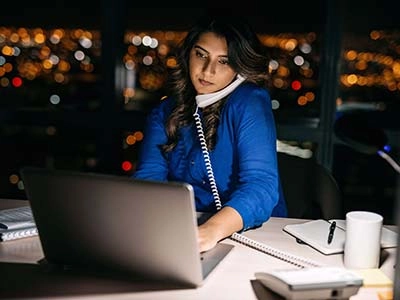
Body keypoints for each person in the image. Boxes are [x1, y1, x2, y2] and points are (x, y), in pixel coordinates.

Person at [133, 15, 287, 253]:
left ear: (240, 69)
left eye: (224, 61)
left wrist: (209, 231)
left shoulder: (249, 102)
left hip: (253, 235)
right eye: (201, 55)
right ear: (188, 55)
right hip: (183, 232)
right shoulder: (164, 112)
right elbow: (148, 180)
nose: (208, 70)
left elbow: (261, 186)